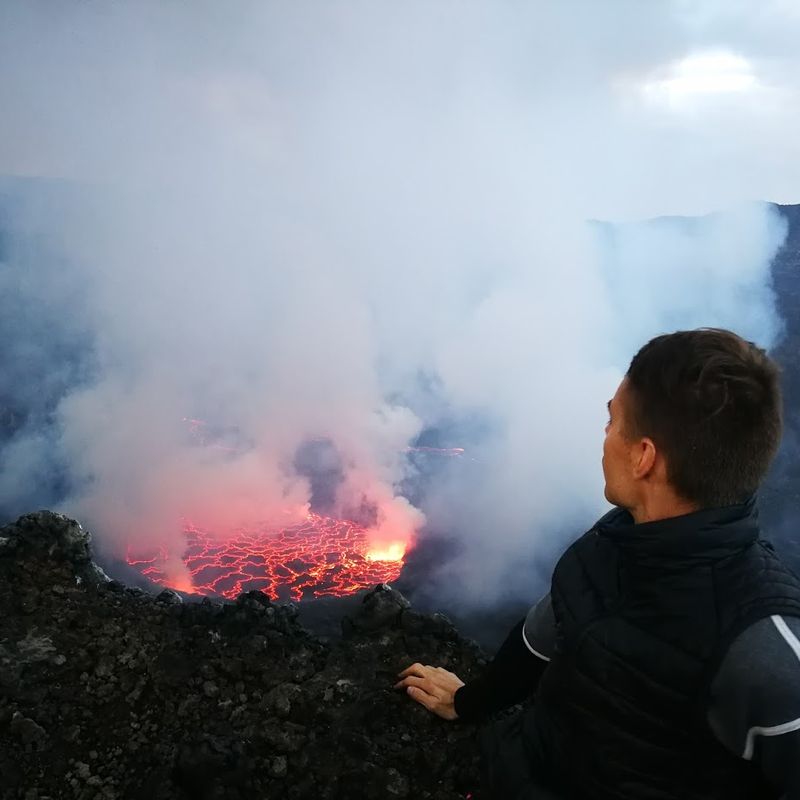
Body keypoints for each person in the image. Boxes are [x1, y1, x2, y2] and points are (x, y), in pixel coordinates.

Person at [396, 328, 800, 800]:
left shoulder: (764, 645)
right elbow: (539, 640)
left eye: (613, 421)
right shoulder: (608, 543)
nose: (605, 435)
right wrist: (468, 701)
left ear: (643, 457)